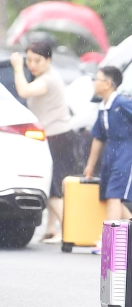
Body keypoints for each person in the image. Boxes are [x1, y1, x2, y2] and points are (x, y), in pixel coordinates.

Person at [10, 42, 77, 244]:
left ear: (48, 60)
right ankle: (52, 229)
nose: (32, 64)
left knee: (53, 186)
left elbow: (23, 91)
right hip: (56, 136)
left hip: (57, 138)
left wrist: (16, 67)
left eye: (37, 60)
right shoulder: (46, 76)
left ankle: (69, 232)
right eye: (29, 60)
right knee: (52, 183)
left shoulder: (48, 79)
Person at [83, 66, 132, 254]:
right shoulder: (103, 107)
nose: (94, 83)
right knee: (110, 196)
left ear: (108, 84)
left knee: (114, 195)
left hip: (127, 150)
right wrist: (90, 165)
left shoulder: (123, 102)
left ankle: (110, 242)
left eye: (97, 79)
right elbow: (98, 137)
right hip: (110, 152)